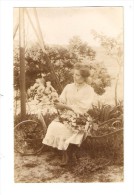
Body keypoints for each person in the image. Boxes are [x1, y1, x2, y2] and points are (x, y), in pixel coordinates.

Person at [42, 63, 95, 166]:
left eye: (77, 75)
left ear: (84, 77)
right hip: (67, 115)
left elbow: (83, 108)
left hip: (81, 116)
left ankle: (68, 154)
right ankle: (61, 151)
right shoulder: (68, 87)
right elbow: (62, 99)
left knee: (66, 129)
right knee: (54, 125)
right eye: (74, 74)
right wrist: (56, 99)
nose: (74, 77)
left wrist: (65, 107)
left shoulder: (89, 90)